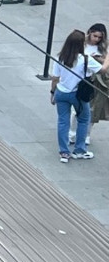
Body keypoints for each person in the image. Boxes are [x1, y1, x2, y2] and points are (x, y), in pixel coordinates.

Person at [51, 29, 100, 163]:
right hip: (78, 95)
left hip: (61, 92)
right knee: (83, 120)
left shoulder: (60, 57)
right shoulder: (85, 59)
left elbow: (55, 78)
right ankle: (79, 150)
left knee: (62, 121)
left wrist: (52, 93)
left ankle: (64, 153)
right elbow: (103, 70)